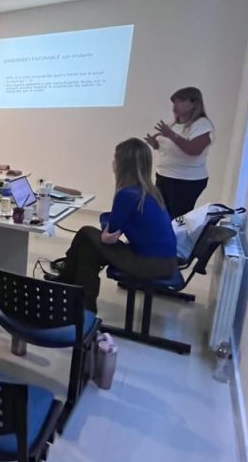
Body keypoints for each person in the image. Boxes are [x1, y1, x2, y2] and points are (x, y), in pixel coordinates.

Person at [56, 139, 178, 312]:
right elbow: (115, 224)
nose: (113, 163)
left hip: (151, 264)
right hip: (166, 262)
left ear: (123, 165)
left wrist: (108, 231)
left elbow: (110, 234)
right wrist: (110, 227)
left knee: (86, 233)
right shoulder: (150, 191)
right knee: (88, 252)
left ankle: (66, 287)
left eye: (115, 159)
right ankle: (79, 305)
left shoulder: (127, 194)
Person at [144, 86, 214, 219]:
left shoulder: (202, 124)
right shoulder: (173, 124)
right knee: (161, 216)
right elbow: (170, 148)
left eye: (180, 101)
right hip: (164, 176)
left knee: (176, 219)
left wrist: (171, 135)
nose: (175, 105)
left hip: (185, 181)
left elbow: (194, 150)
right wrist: (155, 144)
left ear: (194, 103)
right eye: (174, 102)